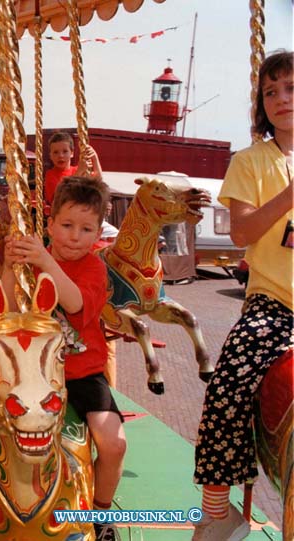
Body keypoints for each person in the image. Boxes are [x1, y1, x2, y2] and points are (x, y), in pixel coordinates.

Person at [0, 176, 127, 541]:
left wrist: (44, 260)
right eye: (67, 226)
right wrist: (10, 266)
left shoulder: (93, 268)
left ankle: (101, 512)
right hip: (26, 371)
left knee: (113, 442)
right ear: (50, 224)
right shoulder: (34, 259)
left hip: (80, 372)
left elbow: (74, 304)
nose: (74, 236)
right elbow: (4, 308)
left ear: (98, 232)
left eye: (86, 229)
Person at [191, 50, 293, 541]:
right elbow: (242, 231)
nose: (281, 99)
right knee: (229, 380)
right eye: (271, 91)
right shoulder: (251, 161)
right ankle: (218, 510)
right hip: (275, 303)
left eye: (291, 88)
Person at [43, 131, 102, 213]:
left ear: (72, 153)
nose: (60, 156)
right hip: (64, 214)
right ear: (51, 156)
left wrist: (95, 158)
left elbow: (98, 180)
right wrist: (79, 172)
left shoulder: (77, 169)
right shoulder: (50, 175)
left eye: (65, 151)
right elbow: (60, 199)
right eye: (55, 152)